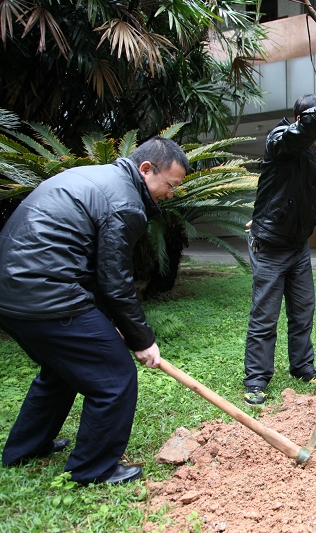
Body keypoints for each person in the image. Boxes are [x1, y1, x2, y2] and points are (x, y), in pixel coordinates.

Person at [0, 137, 189, 485]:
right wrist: (142, 339)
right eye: (170, 185)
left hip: (12, 294)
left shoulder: (99, 178)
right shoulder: (126, 204)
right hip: (47, 293)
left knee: (63, 369)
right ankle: (92, 469)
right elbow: (114, 280)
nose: (170, 194)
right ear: (146, 169)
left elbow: (90, 266)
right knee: (115, 378)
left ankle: (25, 449)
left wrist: (105, 321)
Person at [243, 76, 316, 406]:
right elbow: (295, 139)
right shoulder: (281, 140)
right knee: (265, 315)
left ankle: (303, 368)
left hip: (298, 246)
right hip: (271, 246)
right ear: (300, 120)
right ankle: (256, 379)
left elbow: (292, 191)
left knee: (303, 311)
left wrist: (273, 211)